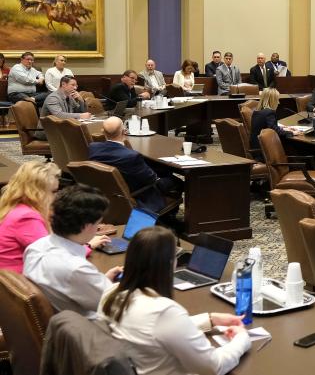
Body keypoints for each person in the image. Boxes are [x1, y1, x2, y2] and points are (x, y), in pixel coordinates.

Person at [98, 226, 250, 375]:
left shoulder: (111, 292)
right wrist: (242, 339)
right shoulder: (163, 311)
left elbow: (155, 329)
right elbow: (214, 367)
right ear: (170, 263)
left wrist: (210, 319)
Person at [23, 184, 121, 319]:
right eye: (98, 223)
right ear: (87, 226)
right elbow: (115, 306)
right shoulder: (76, 269)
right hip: (89, 330)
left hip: (60, 324)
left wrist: (100, 281)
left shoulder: (35, 248)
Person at [88, 117, 183, 214]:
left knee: (162, 171)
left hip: (111, 192)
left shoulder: (93, 148)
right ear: (124, 131)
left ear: (103, 131)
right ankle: (170, 218)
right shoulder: (131, 156)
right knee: (177, 181)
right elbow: (152, 179)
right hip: (138, 194)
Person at [0, 161, 61, 272]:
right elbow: (54, 257)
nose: (56, 196)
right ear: (38, 192)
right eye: (54, 191)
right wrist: (86, 246)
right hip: (20, 283)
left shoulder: (14, 208)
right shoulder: (26, 217)